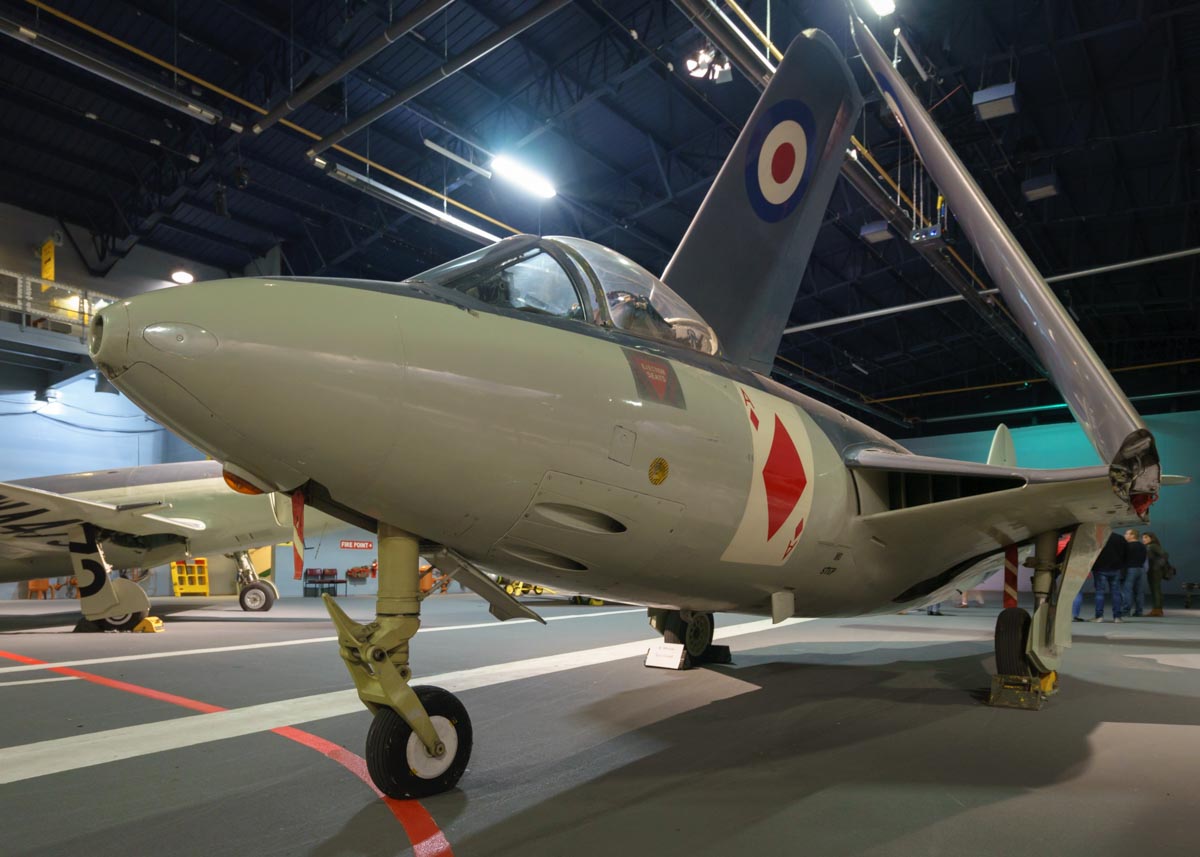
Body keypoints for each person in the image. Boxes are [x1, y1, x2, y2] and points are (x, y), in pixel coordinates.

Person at [1091, 530, 1127, 623]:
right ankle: (1117, 617)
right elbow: (1126, 553)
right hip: (1115, 568)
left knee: (1100, 592)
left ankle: (1099, 617)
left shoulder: (1097, 537)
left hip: (1100, 568)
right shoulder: (1120, 538)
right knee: (1116, 593)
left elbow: (1091, 552)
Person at [1122, 528, 1148, 618]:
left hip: (1130, 569)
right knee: (1139, 592)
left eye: (1127, 533)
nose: (1124, 535)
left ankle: (1126, 611)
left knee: (1127, 591)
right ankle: (1139, 611)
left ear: (1132, 535)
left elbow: (1123, 558)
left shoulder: (1127, 546)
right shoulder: (1142, 546)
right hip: (1140, 570)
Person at [1143, 532, 1169, 617]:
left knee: (1155, 589)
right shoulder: (1150, 546)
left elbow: (1165, 554)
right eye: (1143, 537)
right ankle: (1158, 609)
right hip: (1153, 570)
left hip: (1155, 571)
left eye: (1146, 537)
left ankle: (1157, 610)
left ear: (1152, 538)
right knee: (1155, 589)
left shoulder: (1152, 546)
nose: (1144, 539)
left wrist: (1157, 566)